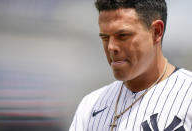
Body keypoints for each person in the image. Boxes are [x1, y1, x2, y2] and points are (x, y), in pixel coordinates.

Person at [69, 0, 192, 130]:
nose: (111, 47)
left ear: (156, 32)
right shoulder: (90, 105)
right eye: (105, 38)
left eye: (123, 36)